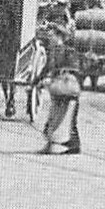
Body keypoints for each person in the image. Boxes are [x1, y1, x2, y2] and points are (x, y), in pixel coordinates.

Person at [38, 20, 83, 155]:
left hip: (66, 87)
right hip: (61, 88)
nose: (50, 38)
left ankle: (55, 145)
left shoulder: (67, 51)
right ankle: (69, 145)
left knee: (60, 118)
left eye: (53, 35)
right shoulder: (55, 51)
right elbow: (47, 69)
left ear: (60, 37)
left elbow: (74, 69)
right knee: (59, 118)